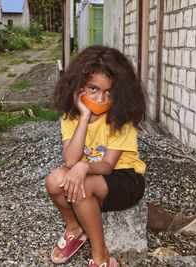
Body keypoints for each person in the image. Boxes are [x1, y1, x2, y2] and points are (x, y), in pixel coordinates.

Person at [46, 45, 146, 267]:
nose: (101, 98)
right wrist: (84, 117)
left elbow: (109, 166)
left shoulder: (121, 118)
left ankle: (101, 255)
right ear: (78, 86)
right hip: (92, 177)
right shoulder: (71, 117)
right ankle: (75, 229)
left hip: (126, 179)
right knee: (54, 180)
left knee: (81, 187)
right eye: (93, 88)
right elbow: (70, 161)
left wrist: (84, 168)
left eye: (109, 91)